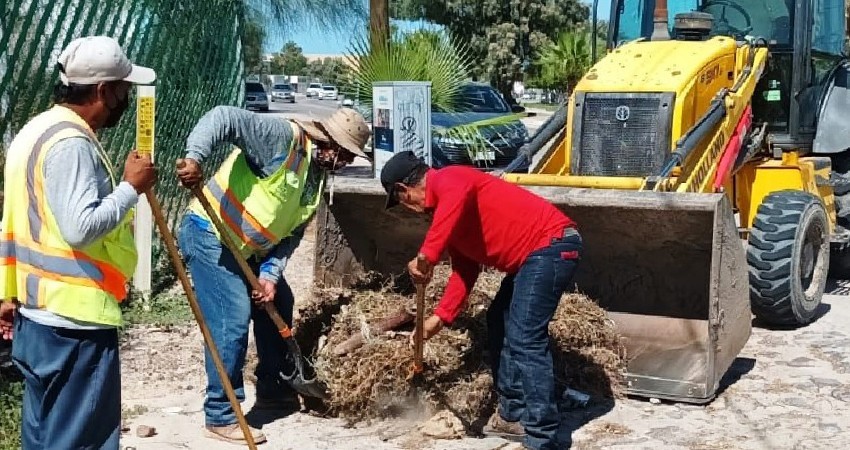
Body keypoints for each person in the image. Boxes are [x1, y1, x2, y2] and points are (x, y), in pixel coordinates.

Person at [175, 105, 370, 444]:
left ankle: (273, 388)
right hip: (209, 233)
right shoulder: (281, 138)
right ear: (328, 141)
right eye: (344, 154)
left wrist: (269, 275)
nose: (346, 163)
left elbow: (291, 235)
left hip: (247, 249)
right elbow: (223, 117)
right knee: (231, 318)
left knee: (279, 300)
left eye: (350, 158)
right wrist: (196, 158)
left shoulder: (316, 180)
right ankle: (222, 414)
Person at [0, 35, 157, 449]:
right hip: (74, 325)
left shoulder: (36, 130)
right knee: (79, 440)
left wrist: (8, 295)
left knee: (44, 436)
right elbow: (79, 228)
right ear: (104, 90)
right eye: (123, 88)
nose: (125, 97)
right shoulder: (71, 143)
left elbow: (15, 220)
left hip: (38, 317)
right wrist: (130, 188)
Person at [380, 151, 582, 450]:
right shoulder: (452, 216)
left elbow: (450, 206)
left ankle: (542, 438)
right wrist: (438, 319)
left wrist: (428, 255)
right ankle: (513, 414)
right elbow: (465, 270)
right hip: (532, 260)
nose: (410, 210)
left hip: (551, 246)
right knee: (498, 320)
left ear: (403, 190)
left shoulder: (450, 178)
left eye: (402, 203)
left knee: (525, 338)